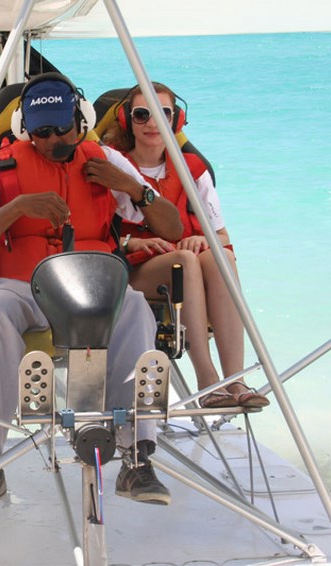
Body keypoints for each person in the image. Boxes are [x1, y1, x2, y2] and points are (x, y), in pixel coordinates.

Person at [0, 73, 185, 526]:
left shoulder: (108, 160)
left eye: (63, 129)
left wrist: (133, 187)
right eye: (42, 132)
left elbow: (173, 227)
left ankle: (137, 456)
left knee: (134, 306)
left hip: (95, 290)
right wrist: (17, 208)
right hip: (22, 288)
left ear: (82, 119)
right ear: (23, 128)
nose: (54, 140)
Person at [103, 83, 268, 409]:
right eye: (142, 114)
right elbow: (96, 233)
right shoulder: (115, 168)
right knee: (185, 262)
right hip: (133, 267)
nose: (153, 123)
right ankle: (207, 378)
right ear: (127, 120)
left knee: (220, 257)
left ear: (176, 120)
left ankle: (234, 379)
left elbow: (221, 235)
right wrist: (130, 240)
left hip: (183, 260)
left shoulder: (193, 169)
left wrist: (204, 239)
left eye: (162, 113)